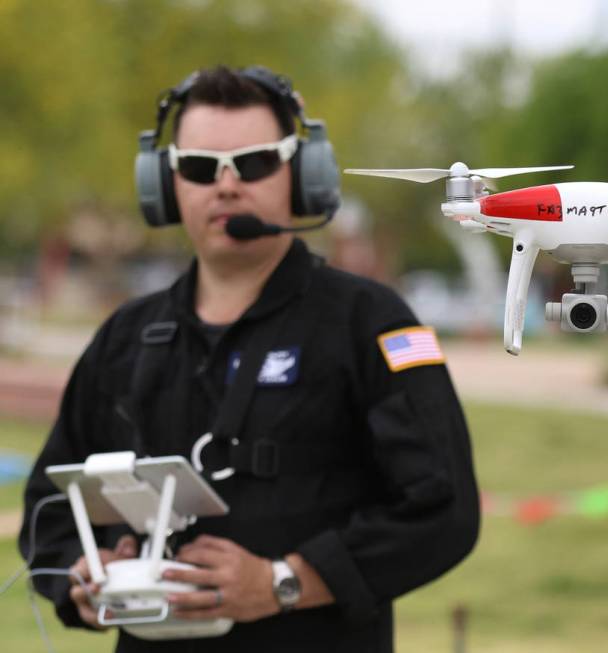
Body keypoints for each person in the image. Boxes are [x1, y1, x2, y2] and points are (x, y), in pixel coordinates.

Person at [18, 65, 480, 653]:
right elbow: (50, 507)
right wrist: (81, 572)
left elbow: (444, 511)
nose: (227, 186)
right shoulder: (124, 339)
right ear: (166, 184)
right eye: (201, 167)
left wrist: (284, 582)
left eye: (256, 161)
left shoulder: (369, 322)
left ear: (303, 173)